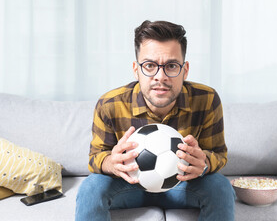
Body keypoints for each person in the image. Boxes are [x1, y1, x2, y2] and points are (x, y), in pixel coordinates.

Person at [75, 20, 235, 221]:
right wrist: (111, 163)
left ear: (185, 70)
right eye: (149, 66)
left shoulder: (207, 100)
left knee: (220, 186)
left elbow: (218, 154)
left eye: (171, 66)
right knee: (91, 186)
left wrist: (203, 162)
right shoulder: (109, 104)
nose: (161, 76)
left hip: (182, 186)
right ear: (136, 69)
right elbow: (95, 157)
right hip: (129, 187)